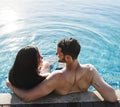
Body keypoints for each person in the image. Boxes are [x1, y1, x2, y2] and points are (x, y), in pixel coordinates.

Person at [7, 38, 118, 102]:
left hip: (62, 78)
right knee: (50, 65)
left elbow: (27, 97)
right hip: (74, 74)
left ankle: (49, 63)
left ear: (68, 57)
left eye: (59, 53)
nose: (56, 54)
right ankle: (57, 61)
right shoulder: (90, 71)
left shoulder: (56, 77)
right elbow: (112, 97)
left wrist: (11, 85)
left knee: (46, 67)